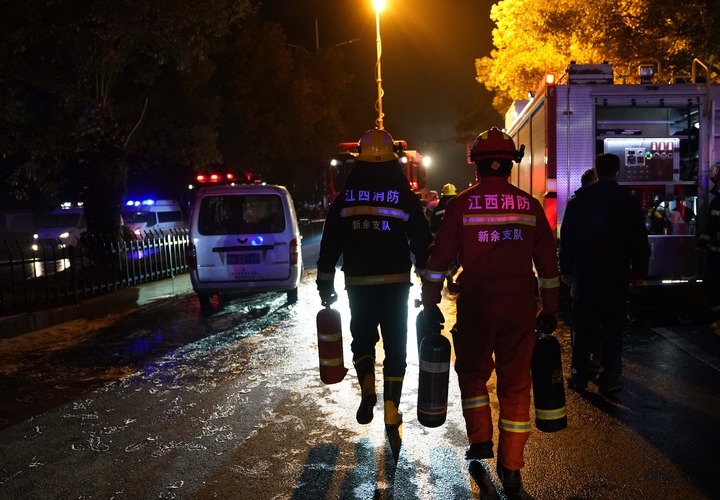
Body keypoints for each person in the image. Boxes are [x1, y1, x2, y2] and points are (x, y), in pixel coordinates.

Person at [421, 127, 559, 498]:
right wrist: (550, 307)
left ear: (476, 166)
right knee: (516, 385)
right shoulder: (529, 206)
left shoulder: (460, 205)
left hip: (477, 306)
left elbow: (439, 260)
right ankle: (511, 468)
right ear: (511, 164)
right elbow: (548, 264)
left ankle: (480, 441)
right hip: (519, 307)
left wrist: (430, 300)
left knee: (472, 373)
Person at [316, 128, 432, 435]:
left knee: (363, 339)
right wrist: (427, 278)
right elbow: (421, 239)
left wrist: (325, 286)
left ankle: (368, 385)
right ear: (393, 160)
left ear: (359, 161)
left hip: (359, 283)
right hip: (396, 283)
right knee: (396, 345)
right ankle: (392, 410)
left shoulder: (346, 198)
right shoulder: (403, 196)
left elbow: (330, 245)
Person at [559, 153, 650, 395]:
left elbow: (567, 238)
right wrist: (639, 271)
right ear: (617, 171)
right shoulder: (628, 200)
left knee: (582, 326)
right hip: (615, 275)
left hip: (584, 275)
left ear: (596, 172)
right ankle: (610, 378)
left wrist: (566, 270)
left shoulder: (578, 200)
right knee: (612, 328)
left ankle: (579, 375)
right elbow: (639, 238)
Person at [697, 164, 720, 336]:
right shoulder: (715, 201)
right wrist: (702, 243)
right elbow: (710, 227)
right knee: (711, 286)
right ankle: (718, 319)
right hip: (714, 256)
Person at [430, 183, 460, 290]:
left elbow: (432, 226)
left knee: (442, 260)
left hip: (441, 240)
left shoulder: (438, 208)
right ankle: (451, 272)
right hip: (456, 238)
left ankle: (442, 279)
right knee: (457, 259)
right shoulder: (457, 205)